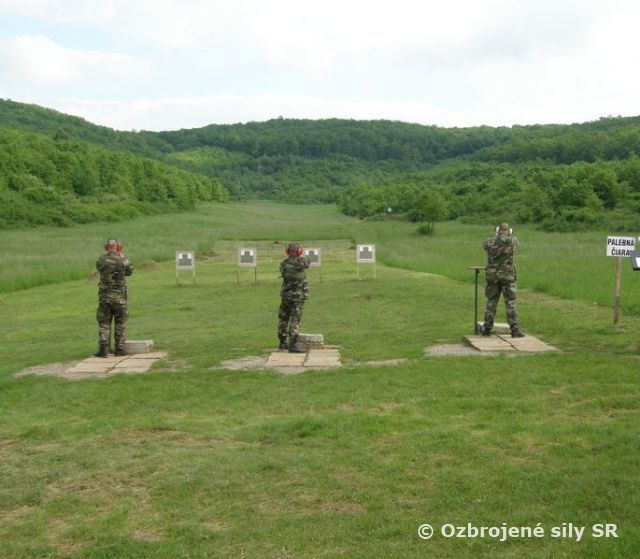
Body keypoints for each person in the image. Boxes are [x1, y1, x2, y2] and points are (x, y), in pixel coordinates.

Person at [481, 223, 525, 338]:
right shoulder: (512, 241)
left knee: (491, 302)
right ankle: (514, 329)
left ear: (498, 231)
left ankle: (487, 328)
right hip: (507, 277)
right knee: (510, 303)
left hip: (493, 277)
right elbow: (515, 242)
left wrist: (496, 238)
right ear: (509, 231)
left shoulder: (489, 242)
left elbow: (484, 246)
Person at [95, 238, 134, 357]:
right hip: (120, 297)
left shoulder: (100, 260)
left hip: (105, 297)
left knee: (104, 323)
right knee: (120, 323)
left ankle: (103, 349)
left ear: (106, 247)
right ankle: (120, 349)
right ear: (118, 247)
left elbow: (100, 269)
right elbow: (129, 272)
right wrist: (120, 255)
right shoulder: (124, 259)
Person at [278, 242, 310, 353]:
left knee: (283, 318)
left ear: (287, 252)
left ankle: (282, 342)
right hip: (297, 296)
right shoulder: (300, 262)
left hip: (286, 295)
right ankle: (293, 344)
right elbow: (307, 263)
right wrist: (300, 257)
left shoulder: (283, 264)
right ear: (298, 252)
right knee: (295, 319)